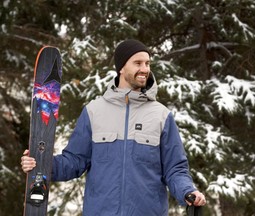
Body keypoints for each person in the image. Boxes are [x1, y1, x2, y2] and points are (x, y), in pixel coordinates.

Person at [21, 39, 206, 215]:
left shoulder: (161, 116)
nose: (144, 69)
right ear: (121, 68)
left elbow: (175, 169)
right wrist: (42, 163)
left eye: (147, 64)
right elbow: (75, 162)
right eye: (138, 63)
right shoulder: (94, 111)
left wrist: (187, 191)